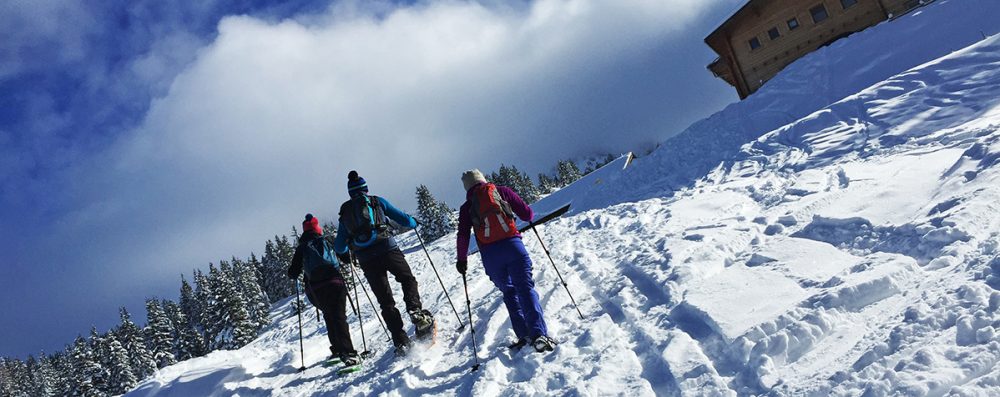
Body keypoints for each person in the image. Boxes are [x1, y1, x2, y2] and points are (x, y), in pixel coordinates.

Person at [333, 170, 435, 356]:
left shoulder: (345, 211)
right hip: (388, 248)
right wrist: (414, 222)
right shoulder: (377, 201)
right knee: (407, 279)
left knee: (385, 300)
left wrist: (346, 252)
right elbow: (403, 219)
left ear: (350, 192)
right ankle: (415, 311)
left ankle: (400, 340)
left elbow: (339, 246)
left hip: (366, 259)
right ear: (365, 188)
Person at [455, 169, 556, 353]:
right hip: (513, 247)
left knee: (509, 292)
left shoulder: (466, 207)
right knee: (525, 288)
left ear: (467, 187)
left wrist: (461, 260)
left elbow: (462, 235)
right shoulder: (501, 191)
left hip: (491, 257)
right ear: (482, 179)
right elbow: (527, 215)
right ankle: (539, 335)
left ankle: (523, 335)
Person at [287, 214, 359, 366]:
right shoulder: (327, 240)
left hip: (315, 289)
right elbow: (346, 257)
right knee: (339, 316)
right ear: (317, 228)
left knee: (329, 315)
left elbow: (293, 273)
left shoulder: (302, 248)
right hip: (335, 283)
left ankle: (338, 349)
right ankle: (349, 352)